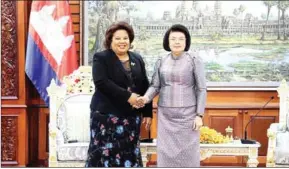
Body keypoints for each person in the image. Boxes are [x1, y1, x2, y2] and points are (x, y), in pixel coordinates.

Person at [137, 24, 207, 167]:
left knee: (189, 154)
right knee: (166, 153)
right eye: (173, 39)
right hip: (165, 116)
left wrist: (199, 115)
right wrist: (145, 98)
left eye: (181, 39)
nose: (177, 42)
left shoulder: (194, 60)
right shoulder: (161, 61)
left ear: (186, 41)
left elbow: (201, 89)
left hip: (188, 114)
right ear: (167, 42)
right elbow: (155, 86)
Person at [85, 21, 152, 167]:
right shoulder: (101, 57)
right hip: (106, 116)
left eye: (125, 38)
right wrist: (129, 97)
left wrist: (147, 112)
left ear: (130, 40)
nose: (122, 41)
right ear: (110, 40)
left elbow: (144, 84)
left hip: (131, 118)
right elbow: (102, 83)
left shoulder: (137, 58)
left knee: (129, 155)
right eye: (118, 38)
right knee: (104, 156)